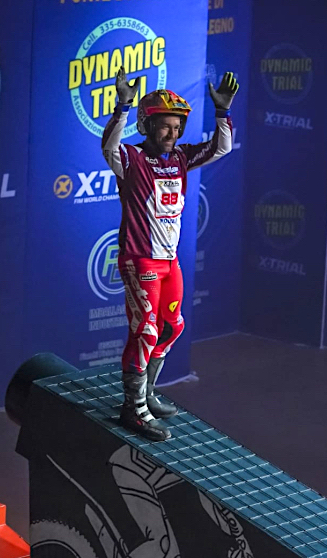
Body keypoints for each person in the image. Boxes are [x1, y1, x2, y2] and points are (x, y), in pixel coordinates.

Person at [102, 67, 239, 441]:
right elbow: (109, 148)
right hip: (140, 260)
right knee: (145, 331)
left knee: (171, 326)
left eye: (177, 128)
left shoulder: (180, 157)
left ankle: (146, 393)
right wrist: (123, 106)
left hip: (169, 261)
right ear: (146, 125)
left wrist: (222, 111)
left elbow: (221, 148)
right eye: (164, 126)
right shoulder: (131, 158)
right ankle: (133, 409)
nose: (172, 134)